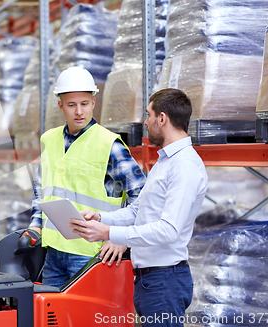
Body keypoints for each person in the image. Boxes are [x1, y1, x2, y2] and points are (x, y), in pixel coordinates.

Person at [70, 88, 208, 326]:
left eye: (148, 115)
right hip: (151, 280)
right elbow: (138, 211)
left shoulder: (184, 166)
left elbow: (169, 230)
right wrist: (100, 218)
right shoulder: (166, 162)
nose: (145, 122)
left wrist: (109, 234)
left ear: (162, 118)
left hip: (164, 280)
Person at [28, 66, 146, 288]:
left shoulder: (108, 144)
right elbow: (41, 188)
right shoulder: (49, 140)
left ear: (93, 102)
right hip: (54, 251)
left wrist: (120, 238)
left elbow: (143, 197)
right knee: (55, 319)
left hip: (93, 254)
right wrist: (36, 225)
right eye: (71, 105)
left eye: (84, 104)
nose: (79, 112)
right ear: (60, 106)